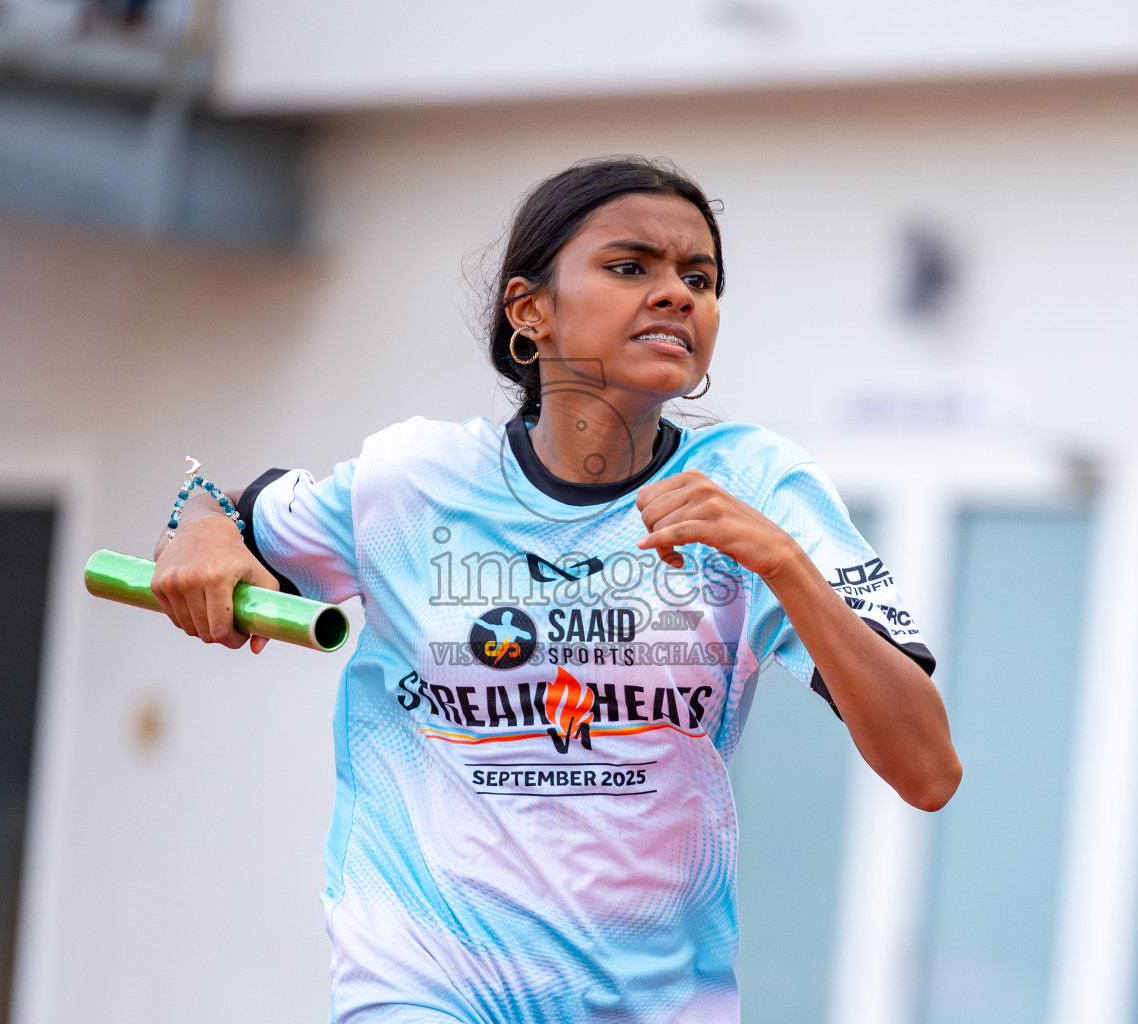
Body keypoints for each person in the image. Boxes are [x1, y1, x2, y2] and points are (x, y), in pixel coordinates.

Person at [150, 156, 961, 1023]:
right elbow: (227, 518)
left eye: (700, 278)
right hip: (423, 986)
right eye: (631, 267)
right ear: (529, 311)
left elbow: (927, 770)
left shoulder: (758, 488)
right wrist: (197, 520)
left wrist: (785, 567)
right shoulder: (413, 479)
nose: (676, 295)